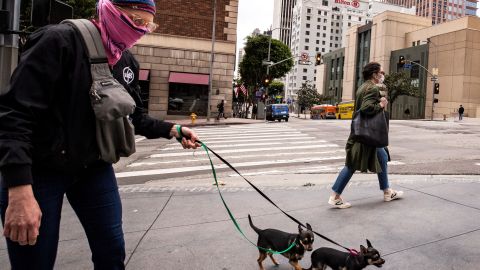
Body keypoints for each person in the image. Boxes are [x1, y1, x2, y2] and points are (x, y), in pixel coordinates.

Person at [0, 0, 200, 269]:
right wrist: (19, 190)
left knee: (112, 251)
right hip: (39, 170)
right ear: (109, 10)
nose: (140, 30)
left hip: (93, 168)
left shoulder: (126, 61)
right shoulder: (57, 41)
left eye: (147, 25)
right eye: (134, 20)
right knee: (34, 258)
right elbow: (15, 114)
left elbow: (133, 116)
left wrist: (173, 129)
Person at [328, 62, 403, 209]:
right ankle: (335, 196)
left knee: (382, 157)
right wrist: (381, 105)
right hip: (365, 134)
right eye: (381, 72)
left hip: (364, 132)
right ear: (375, 74)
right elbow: (366, 108)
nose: (383, 75)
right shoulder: (372, 88)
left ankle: (387, 191)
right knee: (352, 164)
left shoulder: (363, 87)